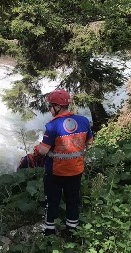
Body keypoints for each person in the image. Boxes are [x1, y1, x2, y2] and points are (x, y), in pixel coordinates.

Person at [35, 89, 93, 237]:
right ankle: (71, 231)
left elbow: (43, 150)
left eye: (50, 106)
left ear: (58, 107)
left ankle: (49, 231)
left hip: (56, 171)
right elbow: (89, 142)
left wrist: (37, 147)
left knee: (52, 200)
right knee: (73, 200)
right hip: (76, 169)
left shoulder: (52, 125)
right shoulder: (84, 121)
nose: (49, 109)